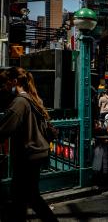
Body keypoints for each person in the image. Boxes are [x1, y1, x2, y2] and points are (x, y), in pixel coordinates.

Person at [0, 67, 59, 222]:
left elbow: (4, 128)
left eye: (6, 83)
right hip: (37, 153)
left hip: (27, 154)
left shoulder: (19, 102)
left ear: (14, 81)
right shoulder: (34, 98)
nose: (4, 87)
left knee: (22, 195)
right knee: (27, 196)